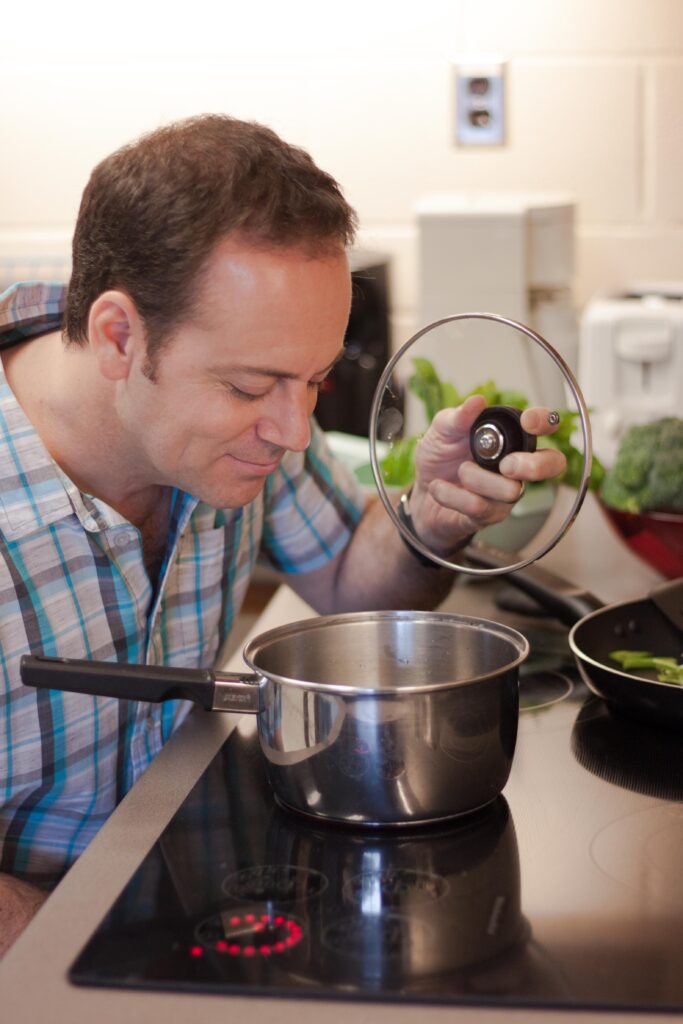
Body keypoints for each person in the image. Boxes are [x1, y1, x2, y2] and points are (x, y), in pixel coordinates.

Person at [0, 114, 565, 954]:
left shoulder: (238, 422)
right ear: (120, 336)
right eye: (250, 385)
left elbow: (345, 575)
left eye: (314, 381)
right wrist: (68, 965)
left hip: (165, 891)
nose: (293, 431)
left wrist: (427, 521)